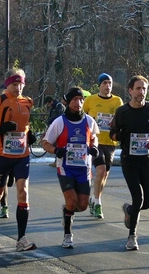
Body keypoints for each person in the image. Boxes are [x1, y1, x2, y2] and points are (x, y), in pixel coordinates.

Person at [109, 75, 149, 251]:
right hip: (129, 159)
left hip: (145, 159)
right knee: (138, 197)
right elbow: (112, 134)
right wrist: (121, 136)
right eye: (138, 89)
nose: (142, 92)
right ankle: (132, 237)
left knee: (146, 202)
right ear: (130, 91)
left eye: (144, 89)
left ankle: (130, 211)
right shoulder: (122, 111)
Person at [0, 68, 37, 251]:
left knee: (23, 191)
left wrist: (29, 135)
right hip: (2, 155)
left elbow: (26, 125)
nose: (18, 88)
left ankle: (21, 239)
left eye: (20, 84)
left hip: (22, 155)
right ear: (8, 84)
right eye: (14, 84)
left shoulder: (28, 102)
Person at [42, 87, 99, 248]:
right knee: (71, 200)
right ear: (68, 102)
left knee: (82, 205)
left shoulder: (89, 121)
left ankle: (67, 211)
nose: (78, 103)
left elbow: (94, 138)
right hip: (65, 168)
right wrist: (56, 150)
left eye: (81, 100)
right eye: (74, 99)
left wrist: (94, 147)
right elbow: (45, 143)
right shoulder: (59, 122)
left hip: (83, 168)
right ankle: (67, 234)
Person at [84, 73, 123, 219]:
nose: (107, 86)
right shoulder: (90, 100)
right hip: (95, 142)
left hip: (110, 142)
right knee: (100, 170)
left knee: (104, 174)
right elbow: (82, 117)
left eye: (109, 83)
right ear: (99, 85)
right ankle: (98, 203)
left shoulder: (117, 101)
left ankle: (94, 199)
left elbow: (120, 119)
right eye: (104, 83)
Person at [46, 96, 66, 167]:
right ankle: (57, 160)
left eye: (48, 104)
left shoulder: (58, 106)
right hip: (54, 127)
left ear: (51, 101)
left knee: (58, 144)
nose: (48, 105)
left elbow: (58, 116)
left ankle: (58, 161)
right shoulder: (54, 107)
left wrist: (50, 120)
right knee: (56, 144)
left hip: (59, 127)